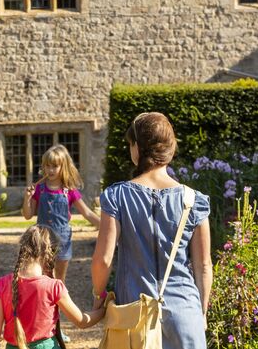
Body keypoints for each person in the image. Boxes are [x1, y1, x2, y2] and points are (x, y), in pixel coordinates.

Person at [91, 112, 213, 349]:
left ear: (137, 148)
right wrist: (202, 312)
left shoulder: (117, 196)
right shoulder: (193, 200)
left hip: (134, 317)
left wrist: (99, 297)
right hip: (185, 314)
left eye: (130, 144)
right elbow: (204, 265)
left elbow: (102, 260)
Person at [0, 225, 105, 349]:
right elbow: (82, 322)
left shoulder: (3, 284)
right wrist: (104, 310)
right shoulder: (54, 287)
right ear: (50, 253)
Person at [21, 144, 99, 284]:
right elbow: (28, 215)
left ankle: (59, 305)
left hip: (62, 240)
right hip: (42, 240)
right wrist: (27, 198)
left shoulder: (69, 190)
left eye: (55, 166)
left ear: (63, 167)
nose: (50, 170)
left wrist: (105, 226)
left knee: (59, 280)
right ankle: (46, 305)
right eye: (47, 166)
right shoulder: (39, 189)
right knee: (45, 278)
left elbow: (87, 212)